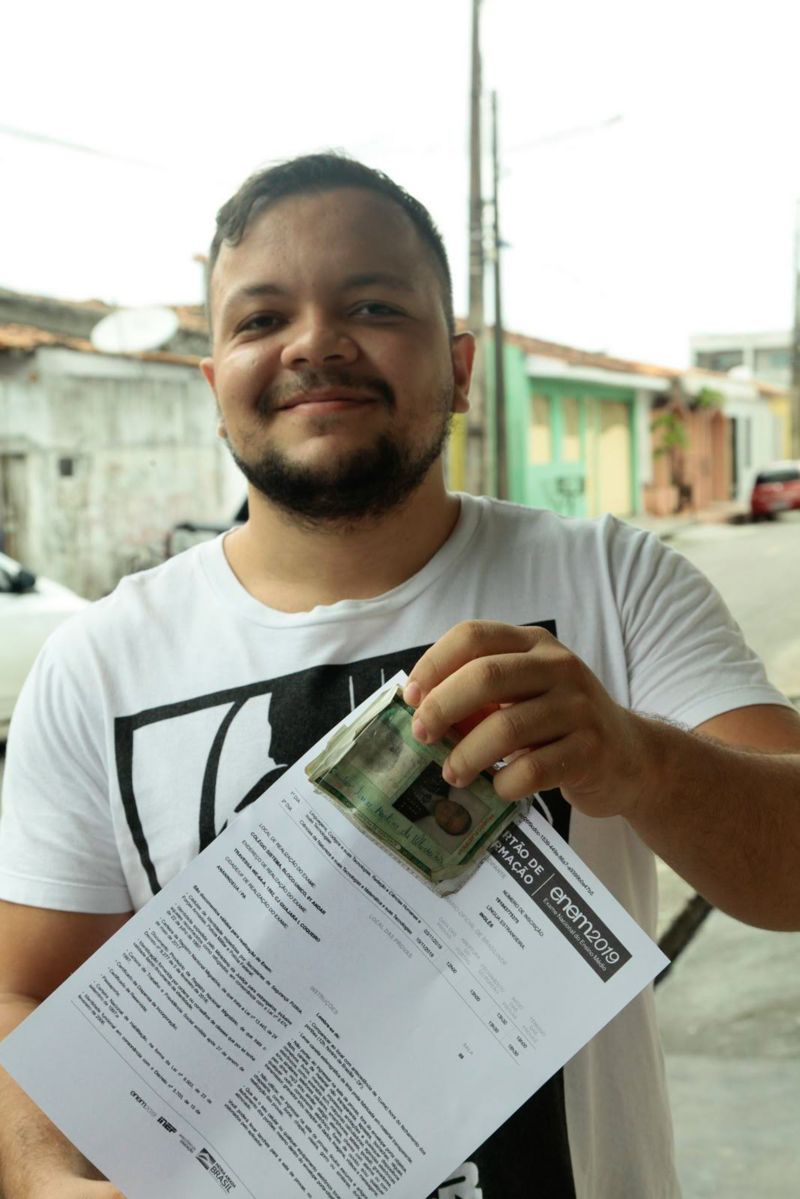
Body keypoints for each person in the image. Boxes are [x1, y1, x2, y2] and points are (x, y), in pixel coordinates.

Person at [0, 152, 798, 1199]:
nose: (314, 343)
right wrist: (38, 1172)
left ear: (460, 367)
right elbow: (24, 996)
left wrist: (636, 758)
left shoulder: (613, 576)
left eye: (372, 304)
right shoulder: (95, 662)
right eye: (258, 319)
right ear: (214, 384)